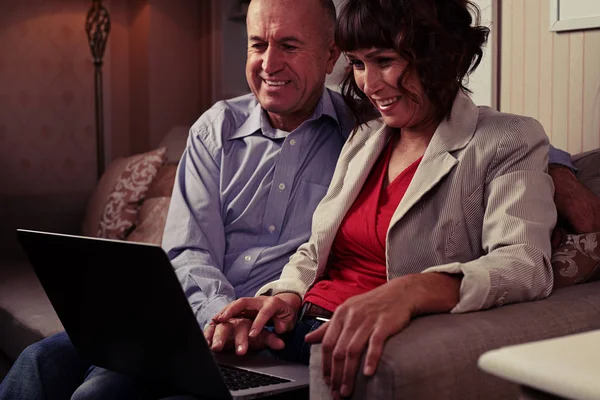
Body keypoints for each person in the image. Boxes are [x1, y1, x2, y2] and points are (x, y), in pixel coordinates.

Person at [0, 0, 352, 399]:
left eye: (289, 46)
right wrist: (220, 315)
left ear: (331, 55)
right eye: (257, 45)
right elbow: (188, 249)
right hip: (183, 313)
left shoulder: (360, 137)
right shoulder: (216, 128)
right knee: (37, 362)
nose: (269, 64)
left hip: (270, 333)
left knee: (99, 392)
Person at [208, 0, 558, 398]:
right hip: (291, 333)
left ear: (445, 54)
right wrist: (284, 295)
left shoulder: (507, 139)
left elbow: (526, 264)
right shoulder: (364, 139)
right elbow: (314, 251)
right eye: (357, 64)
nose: (368, 84)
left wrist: (412, 291)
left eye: (384, 60)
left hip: (346, 345)